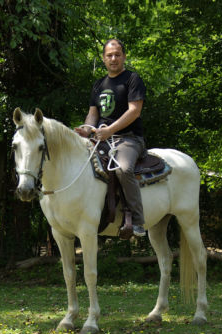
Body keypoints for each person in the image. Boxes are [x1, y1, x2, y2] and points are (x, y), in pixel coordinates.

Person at [75, 38, 147, 238]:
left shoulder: (132, 79)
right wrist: (87, 128)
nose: (113, 58)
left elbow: (134, 111)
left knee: (123, 169)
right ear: (103, 58)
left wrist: (110, 130)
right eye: (109, 55)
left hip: (129, 139)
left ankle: (138, 220)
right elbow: (93, 114)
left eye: (117, 54)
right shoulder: (99, 84)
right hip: (102, 139)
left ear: (124, 56)